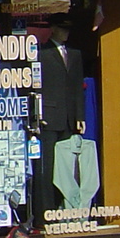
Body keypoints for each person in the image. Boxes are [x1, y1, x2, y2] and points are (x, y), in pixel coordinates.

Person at [36, 17, 94, 220]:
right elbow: (35, 85)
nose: (66, 33)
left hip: (69, 117)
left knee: (67, 168)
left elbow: (78, 87)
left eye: (68, 29)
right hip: (49, 116)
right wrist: (38, 113)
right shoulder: (42, 53)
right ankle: (45, 212)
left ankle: (66, 209)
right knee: (48, 166)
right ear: (53, 29)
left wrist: (80, 115)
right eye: (62, 28)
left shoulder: (75, 55)